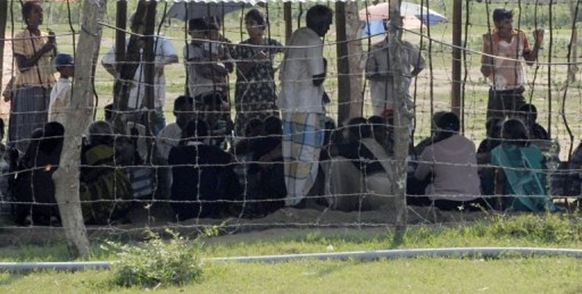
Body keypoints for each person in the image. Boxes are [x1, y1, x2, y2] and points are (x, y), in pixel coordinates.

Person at [278, 5, 333, 207]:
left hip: (290, 103)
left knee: (292, 153)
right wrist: (324, 63)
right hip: (306, 106)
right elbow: (317, 77)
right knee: (306, 154)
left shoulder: (297, 36)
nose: (328, 28)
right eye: (327, 24)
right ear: (320, 23)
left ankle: (294, 195)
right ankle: (300, 198)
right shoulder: (312, 40)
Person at [101, 13, 179, 135]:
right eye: (134, 26)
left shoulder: (160, 40)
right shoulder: (125, 43)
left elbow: (173, 57)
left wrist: (159, 65)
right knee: (131, 131)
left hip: (153, 96)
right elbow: (106, 61)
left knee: (157, 130)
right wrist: (119, 77)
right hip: (131, 97)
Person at [8, 1, 57, 154]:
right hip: (29, 88)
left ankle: (41, 159)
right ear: (27, 17)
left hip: (46, 88)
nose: (40, 15)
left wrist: (53, 46)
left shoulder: (44, 36)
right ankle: (23, 158)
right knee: (27, 128)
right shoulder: (20, 37)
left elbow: (53, 63)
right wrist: (43, 50)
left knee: (44, 126)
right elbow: (22, 66)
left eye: (41, 12)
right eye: (36, 12)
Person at [168, 119, 241, 221]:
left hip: (180, 207)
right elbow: (234, 161)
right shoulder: (213, 151)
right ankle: (230, 206)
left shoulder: (175, 152)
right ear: (206, 134)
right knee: (228, 172)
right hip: (208, 206)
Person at [481, 8, 543, 121]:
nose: (510, 25)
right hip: (498, 91)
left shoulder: (520, 36)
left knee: (522, 125)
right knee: (495, 128)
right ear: (497, 24)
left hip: (517, 90)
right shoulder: (491, 40)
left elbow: (529, 61)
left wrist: (537, 43)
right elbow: (485, 71)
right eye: (506, 22)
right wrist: (489, 48)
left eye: (511, 21)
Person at [322, 117, 396, 212]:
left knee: (338, 161)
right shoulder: (374, 145)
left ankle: (339, 204)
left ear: (353, 132)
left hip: (375, 195)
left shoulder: (357, 146)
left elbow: (329, 152)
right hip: (390, 194)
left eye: (345, 130)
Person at [413, 112, 483, 211]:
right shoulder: (470, 145)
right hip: (472, 199)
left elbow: (419, 176)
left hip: (443, 200)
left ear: (437, 129)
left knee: (411, 184)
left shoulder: (431, 149)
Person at [233, 9, 284, 136]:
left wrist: (278, 67)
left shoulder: (271, 44)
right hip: (248, 97)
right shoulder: (242, 47)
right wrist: (254, 59)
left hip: (267, 95)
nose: (249, 27)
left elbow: (288, 53)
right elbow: (240, 73)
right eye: (247, 23)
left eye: (252, 23)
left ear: (261, 26)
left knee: (270, 127)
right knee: (248, 129)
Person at [491, 119, 558, 212]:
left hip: (516, 202)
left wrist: (498, 203)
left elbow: (500, 179)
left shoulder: (500, 152)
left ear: (504, 133)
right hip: (539, 198)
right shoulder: (535, 149)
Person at [365, 20, 425, 117]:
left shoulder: (407, 47)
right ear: (386, 28)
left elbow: (420, 64)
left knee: (404, 124)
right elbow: (369, 74)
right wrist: (391, 78)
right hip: (382, 97)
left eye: (400, 25)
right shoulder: (377, 48)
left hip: (403, 95)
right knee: (382, 126)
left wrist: (408, 76)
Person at [80, 121, 133, 224]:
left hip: (103, 206)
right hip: (125, 203)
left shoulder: (91, 154)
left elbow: (85, 177)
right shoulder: (116, 150)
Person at [13, 122, 64, 226]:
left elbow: (26, 163)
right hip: (51, 195)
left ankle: (28, 215)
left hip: (31, 193)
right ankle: (53, 216)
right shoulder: (62, 147)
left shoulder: (37, 142)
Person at [184, 18, 230, 99]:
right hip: (199, 89)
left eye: (203, 33)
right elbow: (199, 68)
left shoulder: (209, 47)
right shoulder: (189, 49)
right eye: (197, 33)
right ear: (190, 32)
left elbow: (225, 65)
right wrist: (217, 78)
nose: (200, 36)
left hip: (216, 88)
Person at [48, 53, 74, 125]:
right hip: (65, 123)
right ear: (61, 69)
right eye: (70, 67)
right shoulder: (68, 88)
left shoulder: (57, 85)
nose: (73, 68)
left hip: (56, 123)